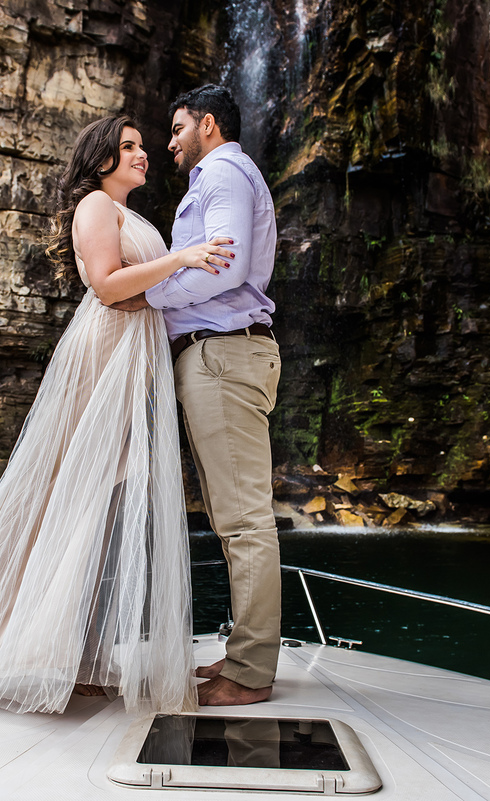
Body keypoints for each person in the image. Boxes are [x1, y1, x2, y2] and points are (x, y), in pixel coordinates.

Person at [0, 116, 235, 715]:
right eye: (129, 146)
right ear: (101, 158)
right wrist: (184, 258)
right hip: (104, 355)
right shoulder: (94, 204)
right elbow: (107, 285)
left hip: (132, 358)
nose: (143, 154)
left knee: (101, 498)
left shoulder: (130, 213)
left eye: (143, 145)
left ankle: (74, 655)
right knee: (67, 491)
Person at [115, 85, 282, 706]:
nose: (170, 141)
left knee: (243, 520)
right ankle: (244, 655)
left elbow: (228, 266)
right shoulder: (216, 177)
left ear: (208, 124)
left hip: (223, 354)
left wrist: (147, 298)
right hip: (217, 356)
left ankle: (251, 672)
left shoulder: (224, 172)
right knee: (231, 517)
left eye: (178, 127)